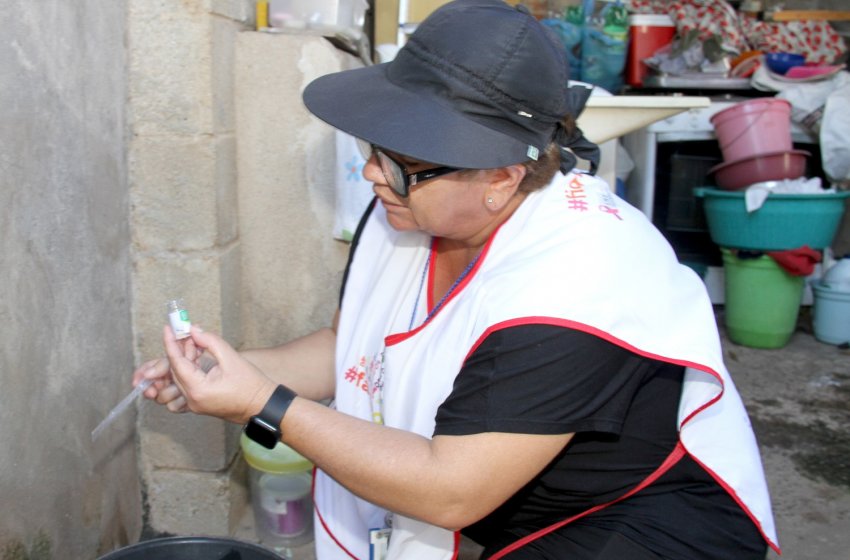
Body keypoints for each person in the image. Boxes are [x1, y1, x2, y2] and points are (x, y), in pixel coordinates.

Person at [133, 1, 779, 558]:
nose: (372, 176)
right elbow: (353, 345)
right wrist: (235, 372)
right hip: (520, 508)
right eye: (373, 148)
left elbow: (450, 488)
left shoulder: (579, 281)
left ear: (501, 176)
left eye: (402, 162)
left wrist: (263, 404)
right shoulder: (410, 206)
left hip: (643, 524)